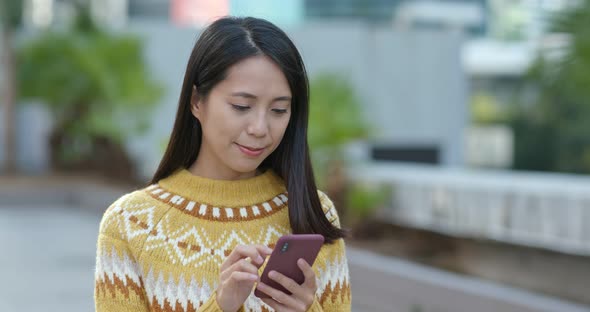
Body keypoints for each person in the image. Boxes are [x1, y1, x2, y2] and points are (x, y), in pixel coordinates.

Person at [94, 16, 351, 312]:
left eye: (279, 110)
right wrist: (221, 306)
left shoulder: (314, 215)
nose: (260, 127)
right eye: (242, 106)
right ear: (196, 102)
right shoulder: (131, 224)